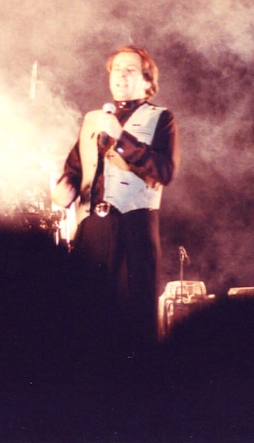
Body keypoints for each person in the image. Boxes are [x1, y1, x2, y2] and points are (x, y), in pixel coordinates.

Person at [52, 45, 179, 355]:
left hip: (133, 225)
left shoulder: (161, 117)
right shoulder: (93, 119)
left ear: (148, 81)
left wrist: (122, 139)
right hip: (91, 227)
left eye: (130, 69)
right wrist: (64, 188)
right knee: (86, 314)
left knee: (133, 318)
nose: (121, 74)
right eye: (116, 69)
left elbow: (164, 171)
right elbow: (73, 168)